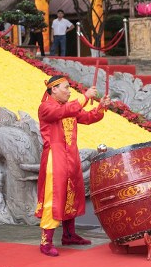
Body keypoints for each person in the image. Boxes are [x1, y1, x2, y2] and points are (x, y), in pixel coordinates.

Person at [35, 75, 110, 257]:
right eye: (66, 88)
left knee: (72, 193)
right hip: (55, 157)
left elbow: (88, 117)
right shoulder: (46, 107)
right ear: (54, 89)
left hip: (71, 156)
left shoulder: (68, 107)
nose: (69, 91)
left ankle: (69, 235)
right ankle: (46, 241)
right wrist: (85, 97)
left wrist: (101, 107)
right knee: (54, 196)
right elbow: (64, 111)